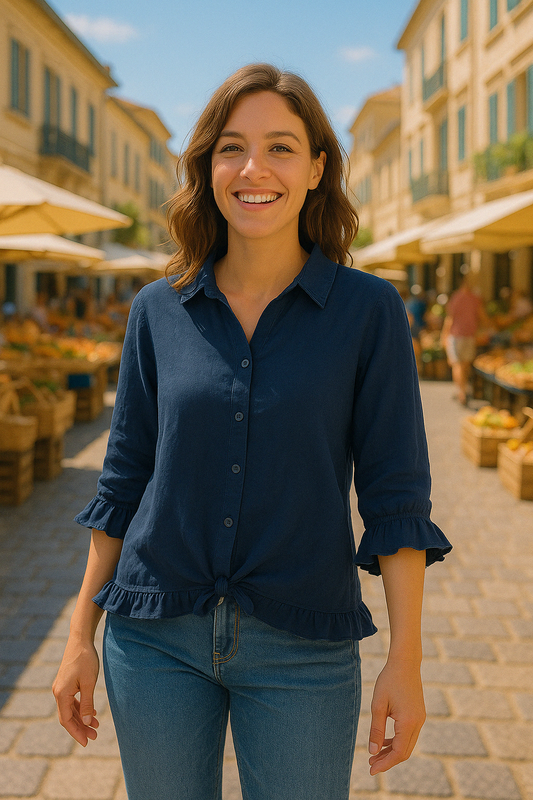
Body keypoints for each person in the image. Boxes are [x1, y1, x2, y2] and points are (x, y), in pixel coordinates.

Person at [53, 63, 451, 800]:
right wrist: (80, 636)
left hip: (304, 647)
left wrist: (407, 660)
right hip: (153, 636)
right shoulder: (156, 310)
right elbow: (123, 478)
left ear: (316, 169)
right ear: (207, 167)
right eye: (231, 147)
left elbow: (395, 495)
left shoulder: (367, 313)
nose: (252, 168)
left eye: (280, 147)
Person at [441, 273, 490, 405]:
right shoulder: (475, 298)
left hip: (457, 336)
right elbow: (482, 316)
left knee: (458, 365)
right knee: (464, 365)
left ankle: (461, 391)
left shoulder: (455, 298)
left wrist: (444, 336)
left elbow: (449, 319)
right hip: (468, 336)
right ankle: (463, 390)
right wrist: (491, 326)